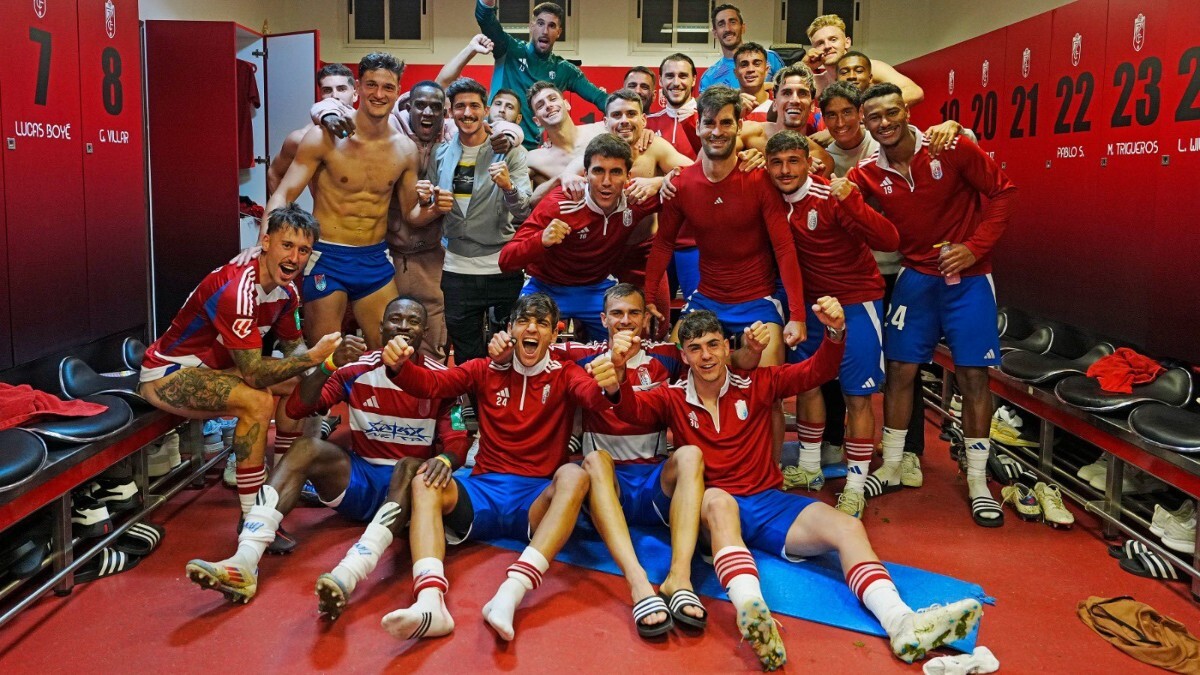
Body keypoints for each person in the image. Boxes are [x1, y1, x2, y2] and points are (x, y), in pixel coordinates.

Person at [614, 306, 984, 670]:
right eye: (695, 348)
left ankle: (900, 622)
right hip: (714, 506)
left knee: (847, 526)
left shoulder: (759, 382)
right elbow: (631, 410)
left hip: (768, 502)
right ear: (683, 355)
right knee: (718, 501)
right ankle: (753, 614)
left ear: (728, 347)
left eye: (713, 345)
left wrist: (835, 332)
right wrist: (617, 374)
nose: (706, 356)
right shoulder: (672, 396)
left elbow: (816, 370)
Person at [183, 298, 469, 619]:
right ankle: (244, 561)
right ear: (380, 328)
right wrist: (327, 365)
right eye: (395, 319)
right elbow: (296, 409)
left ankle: (348, 573)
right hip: (360, 482)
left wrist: (444, 461)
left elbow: (458, 444)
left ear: (425, 331)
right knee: (307, 447)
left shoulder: (441, 378)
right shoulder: (356, 368)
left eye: (412, 321)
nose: (403, 326)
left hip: (411, 491)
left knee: (408, 467)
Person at [375, 293, 634, 642]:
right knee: (424, 479)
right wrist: (399, 366)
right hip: (483, 491)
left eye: (542, 323)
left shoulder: (566, 373)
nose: (532, 328)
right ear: (509, 329)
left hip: (535, 500)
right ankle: (429, 601)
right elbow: (433, 384)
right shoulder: (484, 368)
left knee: (575, 474)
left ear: (553, 336)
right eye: (524, 321)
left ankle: (510, 593)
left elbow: (595, 399)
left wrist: (613, 379)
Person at [552, 283, 770, 637]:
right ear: (602, 318)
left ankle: (679, 579)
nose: (625, 321)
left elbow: (732, 360)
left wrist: (752, 348)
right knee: (594, 461)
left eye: (634, 313)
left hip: (654, 485)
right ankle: (639, 586)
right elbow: (534, 355)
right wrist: (501, 351)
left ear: (646, 319)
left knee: (689, 455)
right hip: (608, 488)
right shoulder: (581, 353)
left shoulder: (668, 353)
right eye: (617, 313)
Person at [847, 83, 1017, 526]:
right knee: (900, 371)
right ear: (865, 124)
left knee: (974, 376)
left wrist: (975, 247)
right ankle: (893, 465)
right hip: (916, 278)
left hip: (970, 279)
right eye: (874, 118)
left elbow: (1003, 192)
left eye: (891, 113)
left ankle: (978, 481)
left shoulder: (952, 146)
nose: (884, 123)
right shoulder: (865, 173)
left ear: (906, 111)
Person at [139, 204, 337, 533]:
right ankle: (252, 519)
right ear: (266, 242)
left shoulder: (286, 290)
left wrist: (319, 377)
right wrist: (316, 358)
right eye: (287, 246)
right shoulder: (237, 290)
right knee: (257, 400)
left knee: (307, 386)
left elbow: (291, 347)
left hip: (218, 370)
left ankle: (283, 480)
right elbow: (255, 376)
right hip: (168, 375)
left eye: (304, 250)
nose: (294, 258)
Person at [265, 53, 448, 351]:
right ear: (358, 88)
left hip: (375, 258)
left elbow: (411, 215)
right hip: (327, 256)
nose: (379, 94)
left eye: (388, 87)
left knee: (389, 354)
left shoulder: (405, 149)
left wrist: (436, 207)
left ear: (398, 90)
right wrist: (267, 244)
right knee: (326, 356)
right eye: (371, 85)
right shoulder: (323, 137)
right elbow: (283, 194)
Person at [763, 131, 899, 520]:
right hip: (808, 305)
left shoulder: (831, 196)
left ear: (809, 161)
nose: (785, 170)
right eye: (777, 162)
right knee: (807, 386)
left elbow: (890, 239)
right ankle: (809, 468)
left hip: (857, 302)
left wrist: (853, 200)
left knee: (857, 396)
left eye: (793, 161)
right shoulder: (770, 199)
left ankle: (855, 485)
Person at [643, 86, 806, 366]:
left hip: (758, 301)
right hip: (707, 299)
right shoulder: (680, 183)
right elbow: (663, 243)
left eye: (726, 122)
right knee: (667, 368)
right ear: (698, 127)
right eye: (709, 123)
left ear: (739, 126)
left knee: (767, 389)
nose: (717, 132)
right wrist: (647, 297)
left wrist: (797, 316)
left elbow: (784, 248)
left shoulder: (759, 179)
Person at [500, 134, 662, 340]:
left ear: (628, 176)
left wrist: (660, 181)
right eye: (598, 171)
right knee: (525, 341)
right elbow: (506, 259)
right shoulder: (560, 203)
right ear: (585, 173)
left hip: (596, 287)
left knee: (628, 340)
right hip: (546, 287)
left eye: (615, 172)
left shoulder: (635, 198)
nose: (606, 182)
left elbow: (694, 178)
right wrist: (541, 240)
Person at [432, 77, 534, 364]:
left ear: (486, 109)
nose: (467, 113)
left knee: (508, 349)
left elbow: (525, 210)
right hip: (456, 267)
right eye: (460, 106)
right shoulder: (440, 154)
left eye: (474, 106)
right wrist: (427, 198)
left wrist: (507, 187)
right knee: (466, 350)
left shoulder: (511, 152)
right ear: (450, 112)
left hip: (501, 266)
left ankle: (506, 405)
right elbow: (431, 204)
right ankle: (471, 406)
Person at [475, 0, 609, 149]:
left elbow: (601, 98)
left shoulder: (565, 70)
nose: (545, 31)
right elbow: (485, 18)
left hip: (528, 151)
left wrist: (637, 127)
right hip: (491, 141)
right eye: (540, 23)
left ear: (559, 32)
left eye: (552, 26)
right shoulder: (509, 49)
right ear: (531, 27)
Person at [266, 64, 358, 197]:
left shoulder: (371, 131)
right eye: (327, 90)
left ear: (355, 94)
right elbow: (274, 173)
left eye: (341, 89)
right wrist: (286, 214)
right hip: (327, 216)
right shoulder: (302, 138)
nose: (334, 96)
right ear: (321, 95)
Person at [805, 14, 924, 105]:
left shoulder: (872, 67)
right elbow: (786, 94)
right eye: (820, 43)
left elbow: (914, 92)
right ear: (813, 49)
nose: (827, 46)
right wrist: (805, 65)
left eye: (833, 39)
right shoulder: (819, 82)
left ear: (847, 42)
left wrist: (869, 111)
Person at [699, 4, 785, 92]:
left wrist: (770, 86)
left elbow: (788, 88)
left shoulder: (769, 57)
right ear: (715, 33)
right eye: (721, 24)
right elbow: (703, 104)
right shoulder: (709, 77)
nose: (728, 29)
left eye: (732, 22)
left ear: (742, 27)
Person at [734, 42, 774, 122]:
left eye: (757, 64)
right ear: (736, 73)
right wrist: (735, 113)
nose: (750, 69)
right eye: (744, 65)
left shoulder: (778, 104)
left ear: (766, 70)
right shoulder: (727, 106)